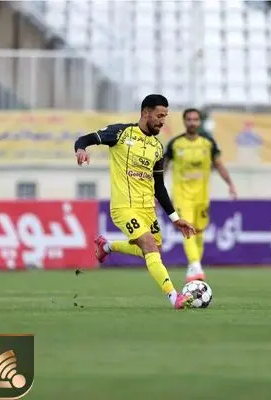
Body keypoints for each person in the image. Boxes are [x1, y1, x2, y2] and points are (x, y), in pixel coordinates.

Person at [75, 94, 197, 309]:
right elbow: (84, 139)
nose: (163, 121)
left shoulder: (157, 148)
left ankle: (107, 246)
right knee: (149, 245)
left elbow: (159, 187)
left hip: (147, 209)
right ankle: (174, 297)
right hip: (124, 208)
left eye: (165, 116)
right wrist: (81, 150)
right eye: (159, 116)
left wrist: (175, 218)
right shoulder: (121, 133)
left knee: (152, 249)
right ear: (145, 113)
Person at [164, 108, 237, 282]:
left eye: (195, 119)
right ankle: (196, 265)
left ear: (199, 122)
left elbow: (219, 165)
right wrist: (154, 190)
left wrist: (230, 184)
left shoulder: (208, 143)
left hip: (201, 196)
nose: (192, 122)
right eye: (189, 119)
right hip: (182, 196)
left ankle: (194, 268)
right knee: (187, 228)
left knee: (199, 233)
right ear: (184, 121)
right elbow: (163, 167)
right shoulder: (175, 144)